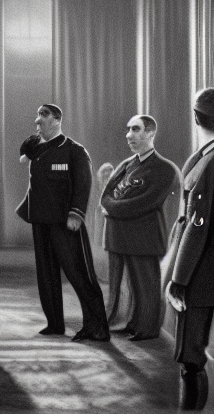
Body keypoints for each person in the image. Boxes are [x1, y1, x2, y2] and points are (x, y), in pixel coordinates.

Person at [16, 104, 109, 342]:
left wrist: (76, 214)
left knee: (79, 274)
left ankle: (97, 327)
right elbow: (23, 154)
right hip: (41, 220)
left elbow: (83, 183)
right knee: (46, 275)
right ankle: (55, 323)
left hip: (65, 223)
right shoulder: (37, 150)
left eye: (43, 116)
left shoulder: (74, 151)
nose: (37, 121)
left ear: (57, 119)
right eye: (37, 116)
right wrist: (29, 147)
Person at [101, 115, 178, 341]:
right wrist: (114, 206)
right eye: (128, 130)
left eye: (135, 130)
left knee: (146, 287)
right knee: (123, 288)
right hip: (118, 237)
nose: (129, 135)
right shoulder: (126, 164)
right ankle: (128, 322)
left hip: (144, 239)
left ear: (151, 134)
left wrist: (114, 209)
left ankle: (147, 329)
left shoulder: (164, 168)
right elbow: (106, 195)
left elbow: (147, 202)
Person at [166, 88, 214, 410]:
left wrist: (179, 279)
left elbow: (197, 225)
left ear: (196, 117)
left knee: (190, 355)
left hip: (201, 271)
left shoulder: (209, 162)